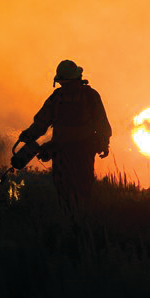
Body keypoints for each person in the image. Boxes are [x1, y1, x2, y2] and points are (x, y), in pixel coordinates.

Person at [19, 59, 112, 212]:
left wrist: (28, 135)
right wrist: (29, 135)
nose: (64, 86)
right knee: (74, 189)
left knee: (72, 190)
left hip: (71, 151)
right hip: (74, 152)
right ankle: (75, 219)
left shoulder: (64, 97)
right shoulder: (86, 96)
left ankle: (75, 218)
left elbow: (41, 123)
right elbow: (102, 123)